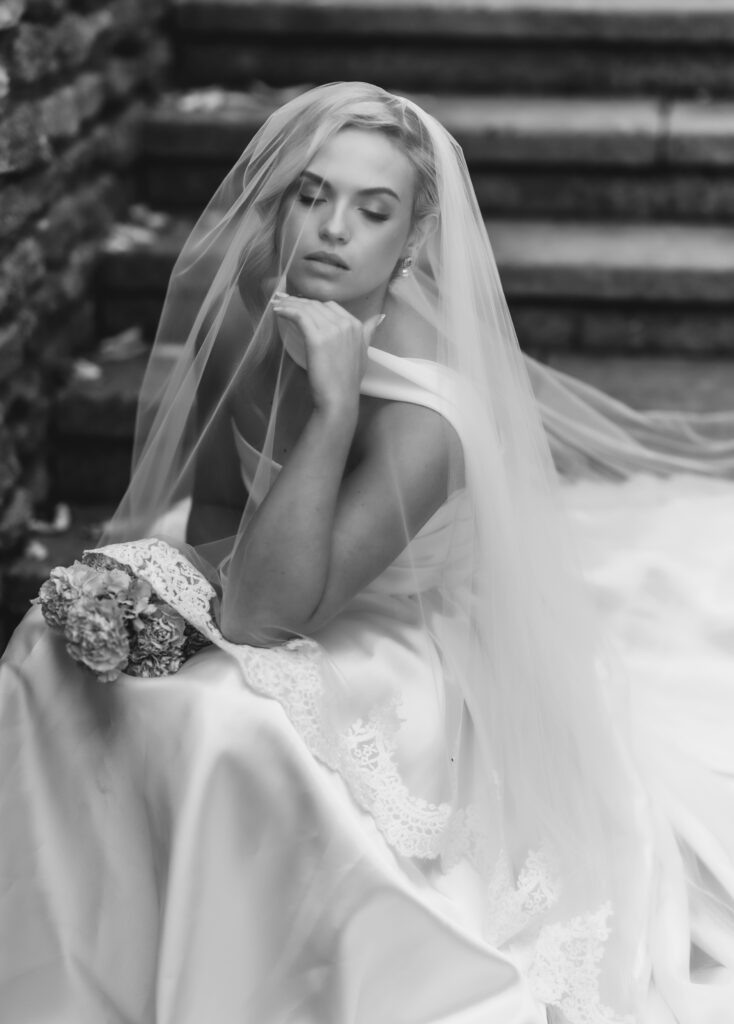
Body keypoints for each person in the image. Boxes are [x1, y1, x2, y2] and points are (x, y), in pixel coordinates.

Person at [2, 82, 734, 1024]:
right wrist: (157, 602)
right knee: (56, 648)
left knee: (232, 731)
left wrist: (337, 401)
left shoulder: (433, 415)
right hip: (278, 574)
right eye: (312, 195)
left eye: (373, 209)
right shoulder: (243, 320)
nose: (332, 229)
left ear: (414, 238)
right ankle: (68, 956)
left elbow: (266, 617)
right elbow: (222, 512)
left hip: (404, 642)